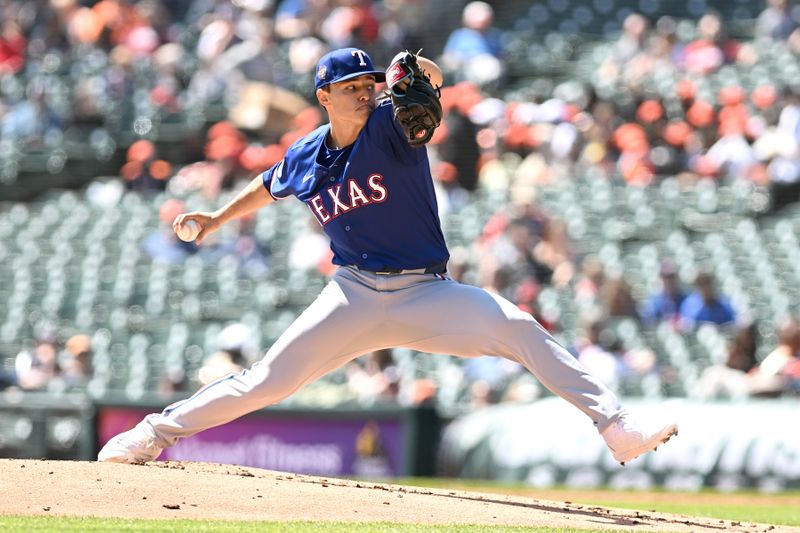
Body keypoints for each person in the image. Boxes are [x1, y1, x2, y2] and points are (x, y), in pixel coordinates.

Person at [99, 48, 677, 466]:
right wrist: (217, 218)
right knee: (264, 382)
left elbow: (427, 82)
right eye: (351, 85)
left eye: (369, 82)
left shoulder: (392, 126)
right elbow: (268, 183)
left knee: (522, 329)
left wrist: (417, 69)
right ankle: (151, 435)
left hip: (427, 292)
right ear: (324, 96)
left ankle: (617, 426)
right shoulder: (305, 155)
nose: (365, 90)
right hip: (352, 293)